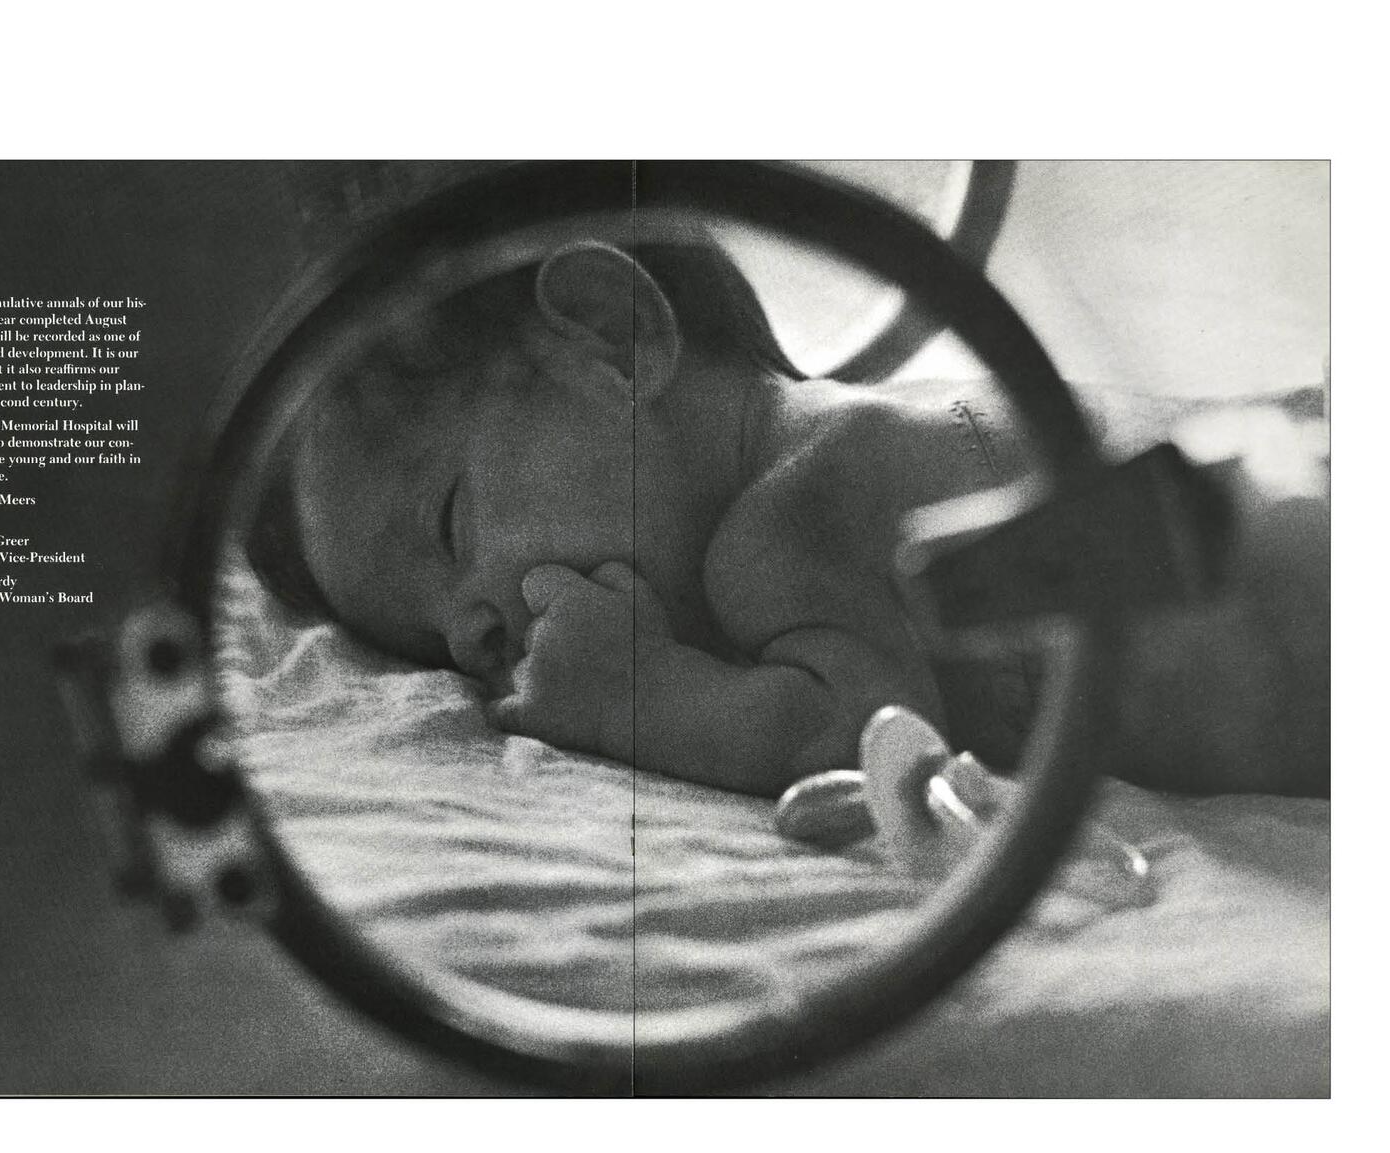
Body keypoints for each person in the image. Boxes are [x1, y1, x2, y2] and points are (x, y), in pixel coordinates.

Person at [249, 234, 1328, 799]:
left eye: (449, 525)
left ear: (616, 339)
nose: (468, 631)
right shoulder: (856, 447)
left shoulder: (785, 521)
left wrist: (641, 696)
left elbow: (861, 734)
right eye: (425, 634)